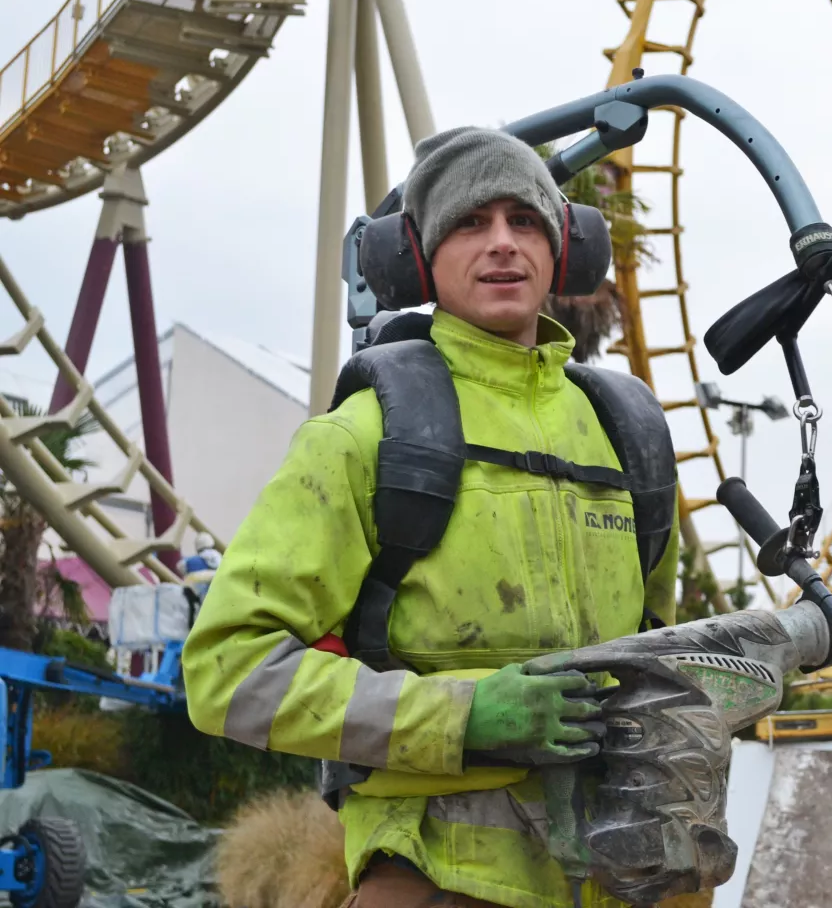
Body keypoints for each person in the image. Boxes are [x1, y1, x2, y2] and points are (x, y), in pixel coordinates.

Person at [182, 127, 679, 908]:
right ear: (419, 258)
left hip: (613, 883)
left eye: (525, 220)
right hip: (430, 879)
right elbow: (226, 671)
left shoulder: (630, 438)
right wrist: (464, 716)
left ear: (565, 247)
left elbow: (661, 663)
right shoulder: (362, 438)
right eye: (470, 223)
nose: (503, 244)